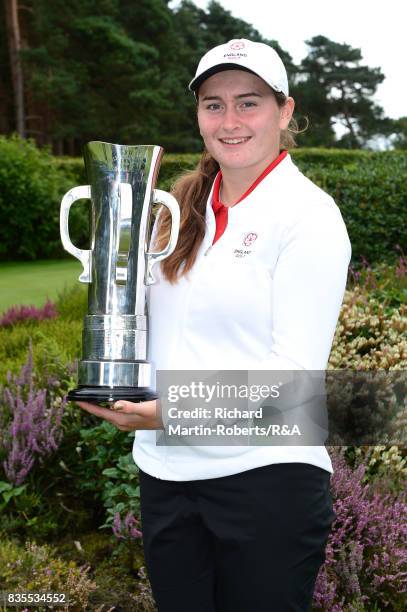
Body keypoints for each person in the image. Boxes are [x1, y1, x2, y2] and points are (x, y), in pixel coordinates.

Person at [78, 38, 351, 612]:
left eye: (248, 102)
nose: (230, 121)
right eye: (213, 104)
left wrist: (169, 409)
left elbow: (293, 384)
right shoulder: (177, 213)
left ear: (285, 110)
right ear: (198, 115)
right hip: (166, 473)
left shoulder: (309, 217)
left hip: (266, 479)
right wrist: (116, 380)